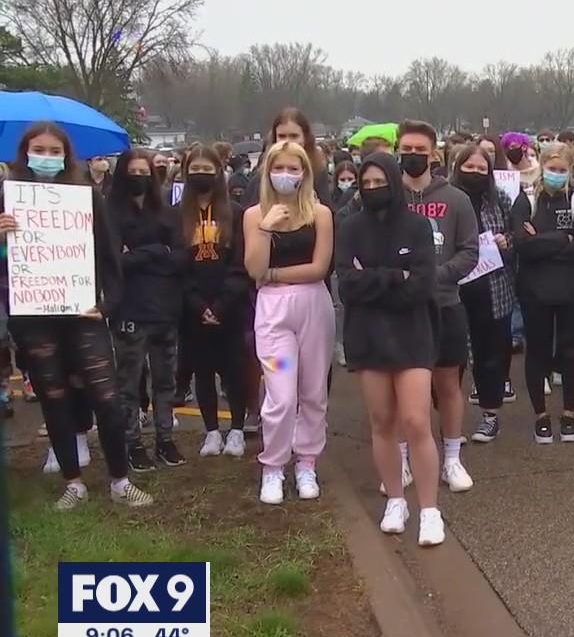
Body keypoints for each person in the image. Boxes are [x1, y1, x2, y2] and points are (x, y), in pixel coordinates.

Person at [0, 122, 153, 508]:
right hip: (33, 316)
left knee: (107, 396)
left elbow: (109, 257)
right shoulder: (7, 198)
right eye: (39, 150)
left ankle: (120, 481)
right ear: (24, 153)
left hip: (83, 314)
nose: (46, 158)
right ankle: (74, 482)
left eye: (55, 151)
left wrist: (106, 306)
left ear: (67, 156)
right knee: (54, 397)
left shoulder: (86, 197)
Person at [338, 152, 446, 546]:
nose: (371, 190)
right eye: (364, 185)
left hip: (412, 332)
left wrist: (375, 280)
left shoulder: (418, 226)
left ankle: (430, 510)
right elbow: (347, 286)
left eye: (378, 183)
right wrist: (392, 278)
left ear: (393, 182)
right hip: (367, 334)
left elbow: (420, 286)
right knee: (382, 420)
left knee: (417, 421)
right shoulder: (349, 228)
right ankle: (395, 500)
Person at [242, 141, 336, 505]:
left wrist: (274, 273)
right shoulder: (254, 215)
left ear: (305, 173)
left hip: (313, 306)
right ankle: (273, 464)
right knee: (281, 395)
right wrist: (266, 229)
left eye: (293, 169)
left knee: (313, 390)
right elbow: (253, 270)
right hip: (273, 314)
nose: (286, 175)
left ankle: (307, 461)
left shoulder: (320, 214)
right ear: (267, 171)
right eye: (278, 167)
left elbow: (318, 267)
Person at [399, 120, 479, 493]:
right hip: (398, 310)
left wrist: (436, 277)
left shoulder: (456, 200)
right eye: (407, 148)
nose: (413, 155)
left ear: (434, 153)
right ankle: (401, 461)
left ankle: (451, 458)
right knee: (402, 389)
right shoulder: (386, 195)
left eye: (420, 150)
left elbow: (470, 252)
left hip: (445, 304)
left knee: (448, 385)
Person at [105, 148, 185, 471]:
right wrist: (157, 252)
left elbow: (180, 258)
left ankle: (165, 439)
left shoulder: (166, 213)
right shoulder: (110, 214)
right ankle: (132, 443)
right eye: (132, 171)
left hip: (166, 310)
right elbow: (114, 262)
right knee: (129, 382)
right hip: (128, 311)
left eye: (144, 171)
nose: (139, 177)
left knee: (166, 381)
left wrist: (139, 253)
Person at [510, 145, 574, 443]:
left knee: (570, 351)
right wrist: (561, 238)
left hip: (572, 290)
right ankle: (540, 415)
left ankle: (569, 413)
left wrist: (542, 242)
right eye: (552, 168)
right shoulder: (527, 200)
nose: (556, 174)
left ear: (570, 171)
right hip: (535, 291)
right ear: (542, 166)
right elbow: (521, 243)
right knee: (538, 352)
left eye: (562, 169)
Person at [178, 145, 252, 459]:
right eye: (195, 169)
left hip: (230, 308)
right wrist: (197, 304)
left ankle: (236, 429)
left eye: (208, 169)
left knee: (235, 371)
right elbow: (177, 264)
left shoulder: (235, 213)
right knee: (202, 372)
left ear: (219, 173)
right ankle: (211, 431)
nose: (201, 175)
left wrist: (221, 304)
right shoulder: (178, 215)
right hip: (192, 309)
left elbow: (241, 262)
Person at [451, 145, 517, 443]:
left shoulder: (499, 198)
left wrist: (508, 240)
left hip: (493, 288)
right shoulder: (448, 198)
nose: (475, 173)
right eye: (469, 168)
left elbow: (518, 232)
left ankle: (490, 416)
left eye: (481, 169)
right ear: (457, 168)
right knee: (453, 359)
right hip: (453, 288)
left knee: (490, 356)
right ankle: (453, 424)